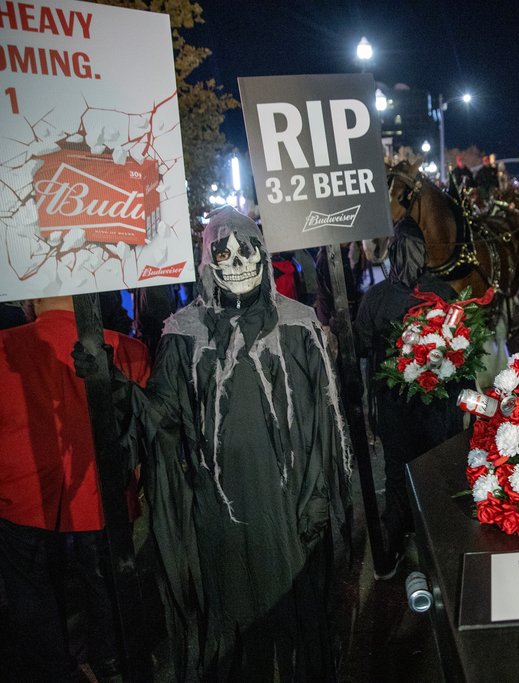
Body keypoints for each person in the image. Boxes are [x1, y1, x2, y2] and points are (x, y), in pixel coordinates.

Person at [81, 207, 352, 681]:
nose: (239, 261)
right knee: (233, 622)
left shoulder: (298, 325)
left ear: (263, 255)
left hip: (286, 506)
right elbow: (161, 415)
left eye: (249, 249)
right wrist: (113, 385)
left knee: (293, 623)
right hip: (221, 514)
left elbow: (326, 424)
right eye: (224, 252)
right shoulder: (185, 333)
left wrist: (319, 499)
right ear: (209, 261)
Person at [0, 295, 150, 682]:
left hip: (22, 492)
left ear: (33, 299)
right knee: (103, 582)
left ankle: (53, 668)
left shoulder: (6, 348)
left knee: (31, 590)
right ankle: (109, 661)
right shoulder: (128, 349)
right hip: (100, 495)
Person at [355, 217, 465, 579]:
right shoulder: (444, 293)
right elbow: (464, 348)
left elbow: (361, 345)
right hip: (434, 408)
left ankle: (397, 542)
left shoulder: (376, 297)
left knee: (399, 471)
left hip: (396, 407)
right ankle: (438, 538)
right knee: (435, 469)